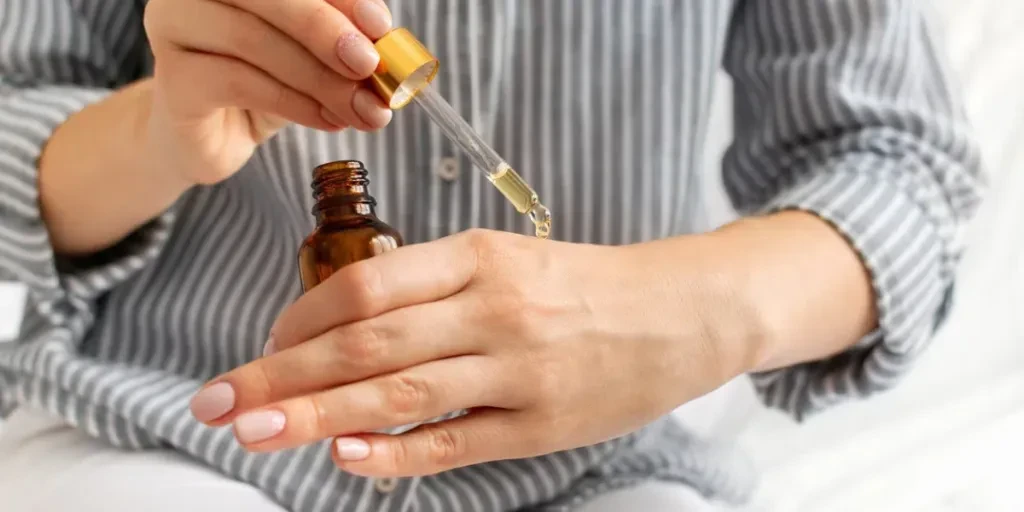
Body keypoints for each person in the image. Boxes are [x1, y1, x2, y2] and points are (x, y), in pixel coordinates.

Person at [0, 0, 983, 510]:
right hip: (173, 422)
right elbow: (19, 112)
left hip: (592, 468)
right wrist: (163, 132)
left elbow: (892, 165)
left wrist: (696, 307)